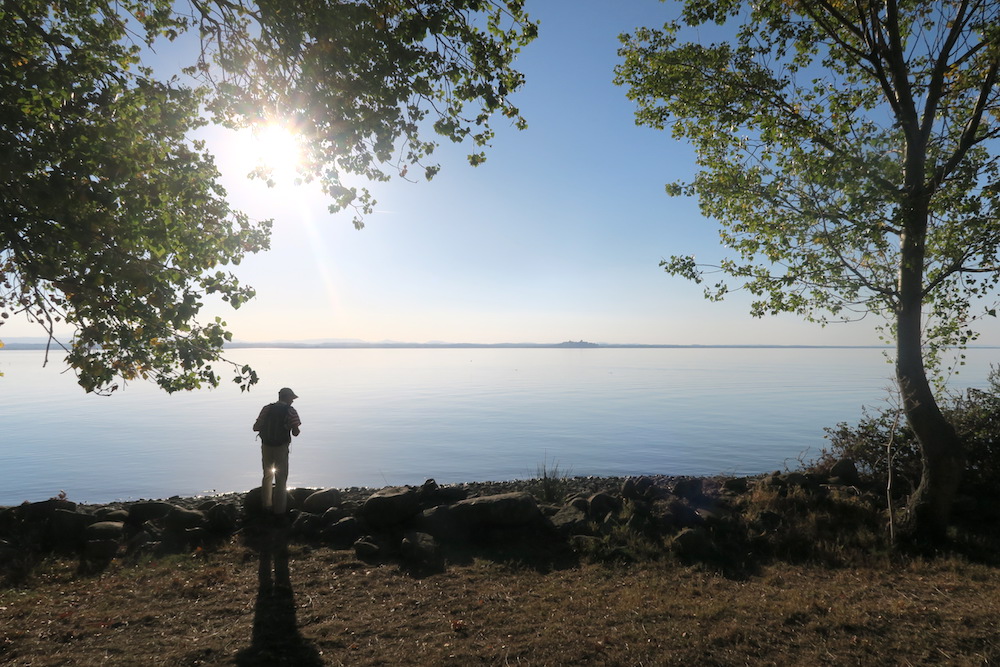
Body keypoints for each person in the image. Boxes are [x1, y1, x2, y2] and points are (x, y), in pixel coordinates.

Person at [253, 387, 302, 520]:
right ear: (287, 398)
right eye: (292, 398)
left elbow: (255, 427)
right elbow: (296, 433)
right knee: (281, 478)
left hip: (266, 446)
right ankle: (279, 511)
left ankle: (266, 506)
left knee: (267, 476)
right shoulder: (291, 411)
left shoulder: (267, 408)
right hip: (281, 447)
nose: (292, 401)